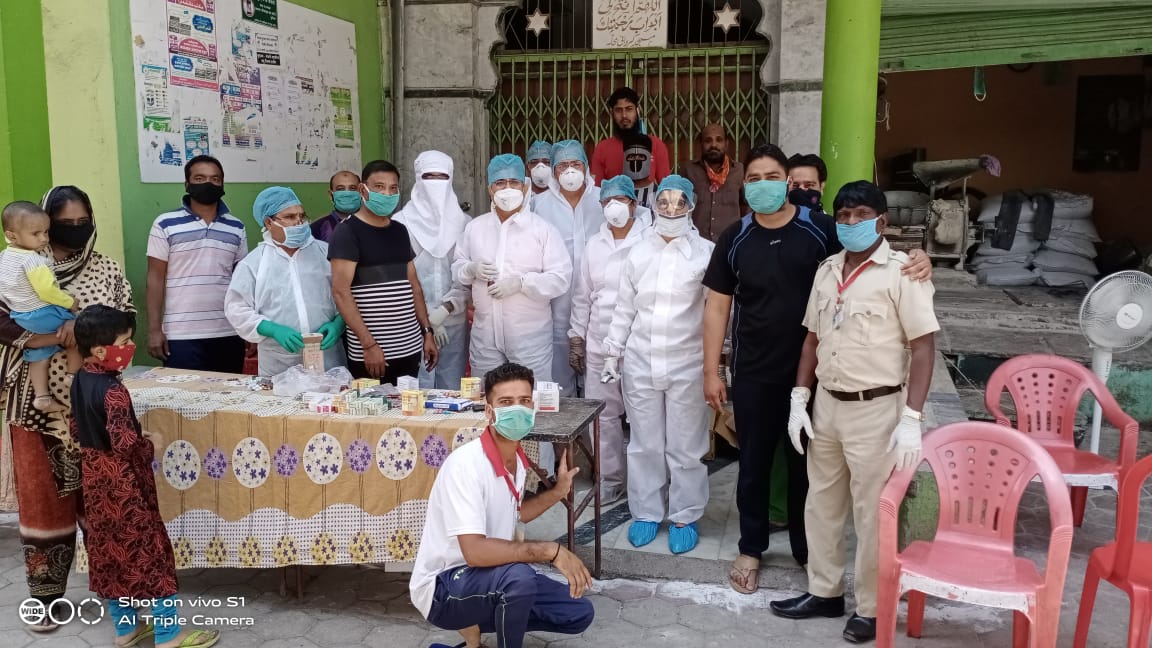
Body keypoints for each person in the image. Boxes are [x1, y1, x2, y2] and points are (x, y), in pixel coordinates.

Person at [701, 144, 932, 597]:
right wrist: (712, 370)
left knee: (808, 471)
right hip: (753, 372)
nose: (763, 185)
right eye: (754, 178)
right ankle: (750, 548)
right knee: (753, 465)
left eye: (772, 176)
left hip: (815, 377)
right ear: (744, 186)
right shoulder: (735, 237)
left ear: (787, 182)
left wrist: (917, 257)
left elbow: (869, 250)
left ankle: (809, 554)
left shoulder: (820, 228)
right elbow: (717, 307)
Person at [770, 181, 938, 644]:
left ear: (882, 221)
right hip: (827, 405)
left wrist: (912, 417)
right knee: (821, 505)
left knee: (871, 515)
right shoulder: (827, 271)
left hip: (877, 410)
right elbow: (812, 339)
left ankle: (872, 608)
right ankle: (824, 592)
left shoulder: (903, 273)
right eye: (842, 215)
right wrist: (799, 398)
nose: (849, 223)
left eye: (860, 215)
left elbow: (924, 348)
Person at [0, 185, 133, 633]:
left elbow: (126, 318)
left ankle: (117, 592)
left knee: (102, 496)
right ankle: (45, 598)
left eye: (83, 222)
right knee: (43, 499)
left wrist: (84, 328)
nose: (75, 230)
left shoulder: (107, 268)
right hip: (36, 403)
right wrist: (42, 338)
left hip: (93, 399)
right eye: (65, 223)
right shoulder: (19, 264)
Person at [409, 362, 594, 648]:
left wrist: (558, 491)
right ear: (489, 411)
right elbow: (474, 552)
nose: (517, 409)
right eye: (506, 402)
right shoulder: (466, 465)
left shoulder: (516, 460)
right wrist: (550, 550)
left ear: (533, 406)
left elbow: (515, 514)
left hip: (490, 577)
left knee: (577, 611)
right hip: (443, 587)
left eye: (524, 401)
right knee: (519, 578)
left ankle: (474, 640)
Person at [71, 305, 221, 648]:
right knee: (152, 555)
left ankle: (126, 629)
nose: (130, 347)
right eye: (124, 342)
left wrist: (131, 436)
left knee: (111, 554)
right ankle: (168, 634)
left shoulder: (80, 379)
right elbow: (125, 445)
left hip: (96, 482)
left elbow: (77, 428)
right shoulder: (113, 390)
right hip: (126, 486)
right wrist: (150, 443)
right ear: (100, 351)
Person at [601, 175, 714, 555]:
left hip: (688, 362)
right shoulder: (638, 253)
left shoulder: (705, 254)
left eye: (679, 202)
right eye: (664, 201)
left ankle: (685, 514)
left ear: (691, 205)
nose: (670, 209)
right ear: (653, 205)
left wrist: (717, 362)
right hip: (640, 360)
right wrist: (612, 353)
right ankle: (646, 513)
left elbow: (717, 312)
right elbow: (624, 308)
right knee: (645, 443)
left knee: (686, 446)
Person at [453, 154, 570, 383]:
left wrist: (521, 283)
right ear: (490, 189)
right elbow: (457, 267)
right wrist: (470, 269)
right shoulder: (475, 228)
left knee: (531, 396)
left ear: (525, 187)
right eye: (500, 183)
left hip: (530, 339)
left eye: (514, 182)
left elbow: (560, 278)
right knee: (485, 397)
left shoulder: (542, 230)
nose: (507, 189)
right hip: (485, 337)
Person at [568, 175, 648, 504]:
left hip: (640, 342)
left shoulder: (650, 239)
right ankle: (610, 479)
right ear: (600, 205)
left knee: (644, 416)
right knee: (603, 414)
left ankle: (647, 484)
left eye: (621, 200)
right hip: (600, 343)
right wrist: (577, 337)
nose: (614, 207)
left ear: (634, 203)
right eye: (607, 201)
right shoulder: (594, 245)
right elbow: (582, 296)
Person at [329, 160, 439, 384]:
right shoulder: (347, 233)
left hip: (409, 348)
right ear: (363, 190)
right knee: (371, 405)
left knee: (408, 404)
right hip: (372, 354)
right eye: (379, 187)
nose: (387, 194)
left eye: (393, 188)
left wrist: (427, 332)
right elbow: (341, 292)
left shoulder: (399, 231)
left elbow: (414, 286)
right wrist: (368, 344)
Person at [225, 187, 346, 377]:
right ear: (268, 222)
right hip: (279, 365)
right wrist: (271, 329)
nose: (299, 222)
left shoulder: (325, 253)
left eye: (302, 216)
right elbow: (236, 308)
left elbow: (347, 294)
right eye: (290, 217)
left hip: (328, 359)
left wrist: (339, 323)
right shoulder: (254, 263)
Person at [146, 155, 248, 372]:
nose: (208, 183)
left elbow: (243, 281)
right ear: (187, 184)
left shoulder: (236, 227)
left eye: (215, 179)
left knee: (229, 392)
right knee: (185, 393)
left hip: (229, 331)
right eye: (200, 178)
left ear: (222, 184)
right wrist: (154, 330)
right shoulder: (165, 224)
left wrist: (247, 327)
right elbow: (155, 278)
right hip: (181, 335)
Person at [392, 151, 470, 389]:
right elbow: (399, 278)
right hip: (412, 322)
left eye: (442, 177)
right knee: (416, 389)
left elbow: (467, 276)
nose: (435, 184)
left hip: (453, 321)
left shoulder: (465, 224)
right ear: (418, 178)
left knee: (452, 389)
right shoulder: (400, 223)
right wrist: (426, 318)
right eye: (429, 177)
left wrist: (445, 309)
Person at [533, 140, 603, 396]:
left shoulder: (603, 199)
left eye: (576, 164)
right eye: (563, 166)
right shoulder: (539, 205)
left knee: (598, 380)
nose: (570, 171)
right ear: (553, 171)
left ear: (586, 167)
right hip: (556, 302)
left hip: (598, 299)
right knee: (559, 372)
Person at [0, 201, 79, 412]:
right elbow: (47, 292)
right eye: (36, 234)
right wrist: (70, 302)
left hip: (21, 317)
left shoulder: (3, 257)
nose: (44, 238)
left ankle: (42, 397)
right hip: (43, 312)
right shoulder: (33, 261)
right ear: (12, 235)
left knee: (38, 354)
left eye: (46, 232)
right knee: (79, 331)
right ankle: (73, 376)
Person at [590, 87, 671, 186]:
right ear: (611, 113)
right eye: (618, 110)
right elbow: (597, 189)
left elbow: (666, 187)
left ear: (637, 110)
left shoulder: (656, 145)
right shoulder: (602, 149)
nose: (624, 115)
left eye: (629, 109)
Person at [679, 123, 745, 243]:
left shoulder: (739, 171)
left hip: (729, 244)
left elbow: (747, 206)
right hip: (696, 243)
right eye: (708, 141)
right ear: (701, 144)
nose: (714, 145)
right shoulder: (688, 170)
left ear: (726, 144)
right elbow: (679, 206)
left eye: (719, 140)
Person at [310, 170, 361, 242]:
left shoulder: (373, 224)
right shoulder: (317, 228)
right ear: (331, 195)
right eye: (340, 189)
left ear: (361, 192)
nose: (347, 193)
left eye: (352, 188)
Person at [621, 131, 657, 210]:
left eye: (641, 156)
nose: (636, 160)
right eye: (631, 157)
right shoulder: (616, 193)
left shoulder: (658, 194)